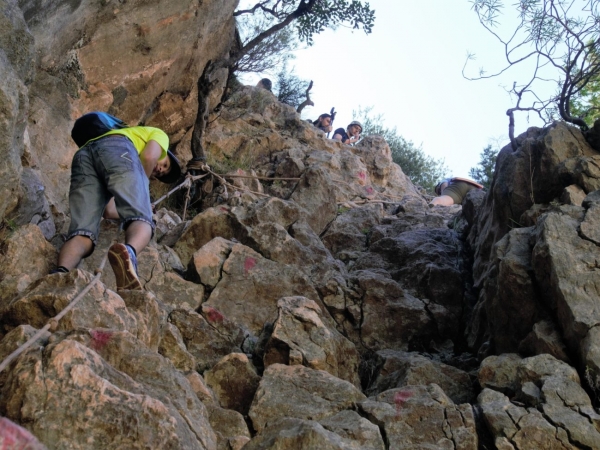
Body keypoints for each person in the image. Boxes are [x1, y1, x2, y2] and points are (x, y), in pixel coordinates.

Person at [53, 123, 182, 291]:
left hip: (84, 155)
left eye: (160, 174)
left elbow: (109, 211)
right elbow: (150, 157)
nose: (160, 169)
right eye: (165, 164)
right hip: (118, 150)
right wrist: (142, 198)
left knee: (82, 233)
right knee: (144, 219)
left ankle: (58, 275)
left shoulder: (118, 138)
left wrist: (131, 202)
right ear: (166, 153)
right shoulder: (160, 135)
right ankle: (129, 253)